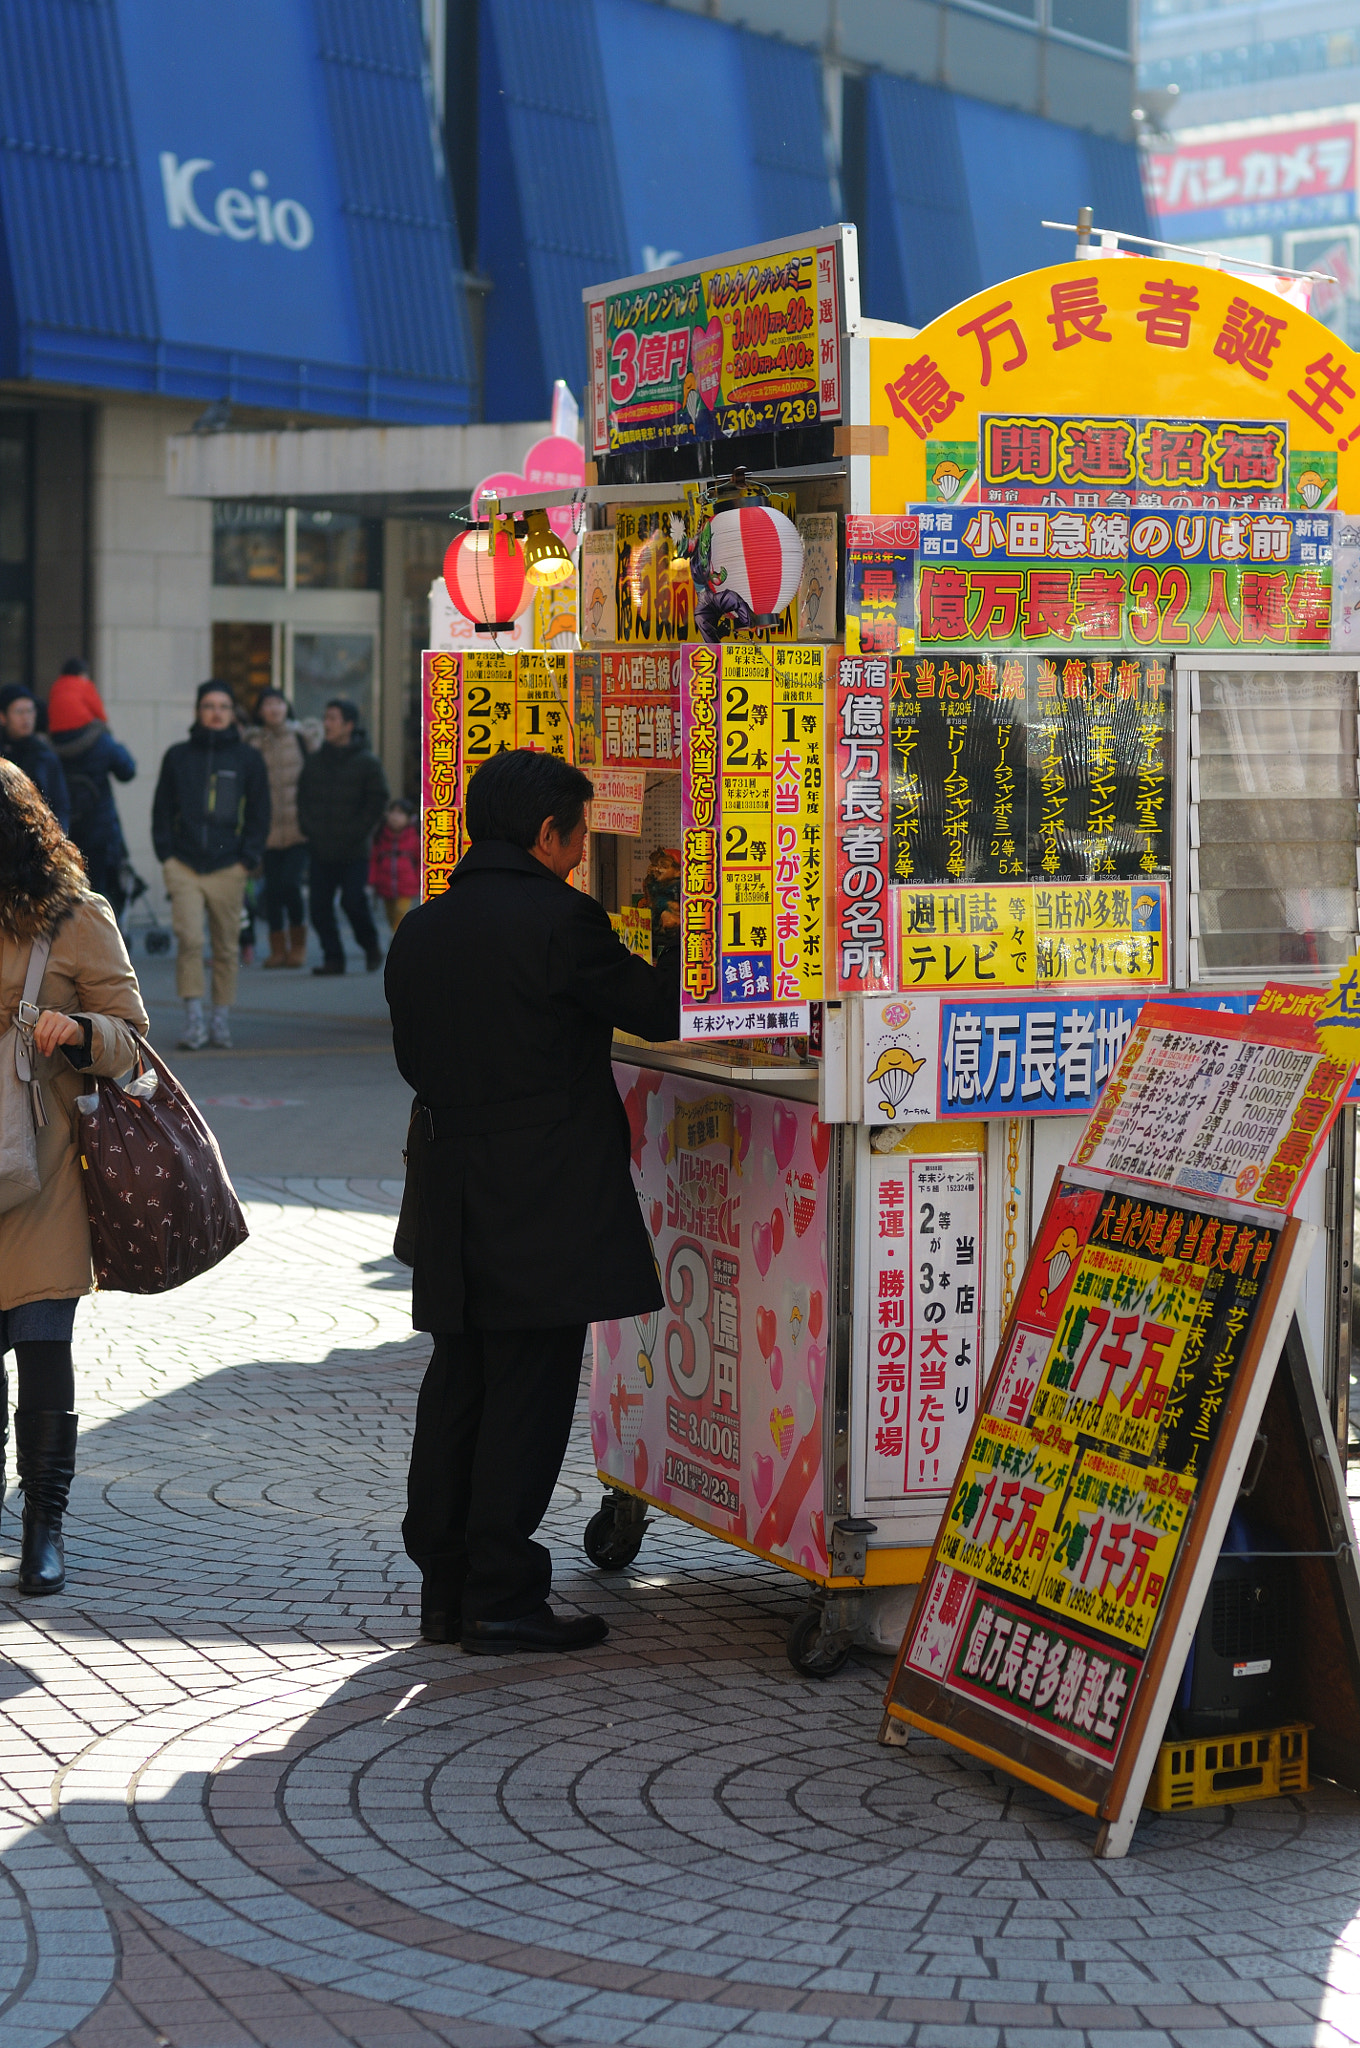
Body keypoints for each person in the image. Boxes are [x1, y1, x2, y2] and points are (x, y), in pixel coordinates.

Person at [385, 749, 680, 1656]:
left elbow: (411, 1060)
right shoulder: (563, 920)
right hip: (543, 1192)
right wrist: (676, 922)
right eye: (579, 836)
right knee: (527, 1391)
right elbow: (661, 1011)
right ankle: (504, 1596)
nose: (582, 855)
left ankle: (447, 1589)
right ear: (548, 833)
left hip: (448, 1185)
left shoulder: (421, 928)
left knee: (459, 1383)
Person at [0, 758, 148, 1594]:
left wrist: (78, 1029)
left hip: (42, 1164)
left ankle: (43, 1524)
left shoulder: (75, 918)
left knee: (41, 1342)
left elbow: (132, 1036)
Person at [151, 681, 270, 1051]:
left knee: (226, 945)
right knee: (189, 939)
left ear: (233, 712)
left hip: (228, 864)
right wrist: (166, 855)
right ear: (198, 711)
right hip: (184, 863)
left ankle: (220, 1019)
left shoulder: (248, 758)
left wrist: (247, 858)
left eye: (223, 705)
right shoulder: (178, 756)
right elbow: (162, 808)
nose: (216, 712)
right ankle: (194, 1021)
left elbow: (260, 812)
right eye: (208, 705)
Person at [296, 698, 389, 975]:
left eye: (333, 719)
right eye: (326, 718)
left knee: (353, 902)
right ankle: (333, 958)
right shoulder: (314, 762)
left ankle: (370, 945)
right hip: (320, 847)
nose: (327, 724)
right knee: (319, 908)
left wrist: (358, 831)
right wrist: (309, 828)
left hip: (353, 849)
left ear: (349, 725)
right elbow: (303, 799)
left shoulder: (367, 762)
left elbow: (377, 801)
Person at [46, 662, 137, 919]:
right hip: (100, 829)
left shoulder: (49, 743)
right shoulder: (100, 741)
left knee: (66, 894)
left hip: (63, 829)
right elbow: (127, 771)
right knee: (98, 895)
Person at [247, 687, 317, 969]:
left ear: (287, 707)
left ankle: (298, 945)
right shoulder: (253, 744)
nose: (274, 708)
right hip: (267, 830)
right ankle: (278, 950)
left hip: (300, 828)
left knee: (290, 885)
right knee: (273, 891)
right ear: (260, 710)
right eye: (268, 703)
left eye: (278, 702)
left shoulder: (302, 738)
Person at [0, 687, 69, 832]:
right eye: (19, 712)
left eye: (30, 711)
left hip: (36, 840)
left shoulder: (45, 755)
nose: (26, 717)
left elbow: (60, 805)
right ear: (3, 716)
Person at [369, 796, 420, 932]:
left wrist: (418, 879)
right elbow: (374, 859)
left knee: (401, 913)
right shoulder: (381, 836)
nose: (395, 817)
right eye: (393, 812)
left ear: (409, 818)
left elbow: (420, 861)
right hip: (385, 884)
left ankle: (397, 940)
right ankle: (396, 937)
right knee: (390, 916)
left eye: (400, 813)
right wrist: (373, 880)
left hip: (406, 884)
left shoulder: (414, 837)